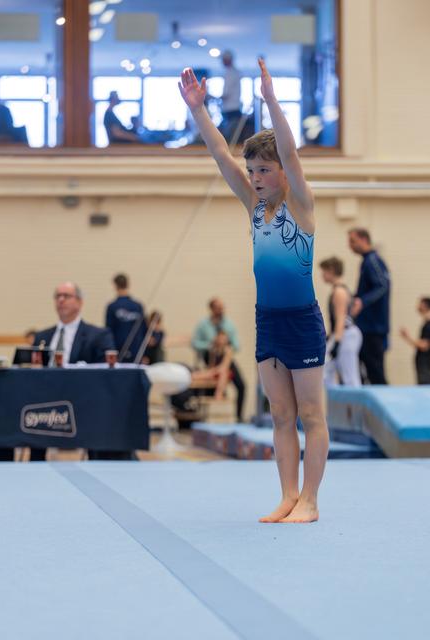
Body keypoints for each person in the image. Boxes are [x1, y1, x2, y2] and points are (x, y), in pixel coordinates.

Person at [179, 59, 328, 523]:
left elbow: (290, 151)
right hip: (268, 321)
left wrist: (270, 101)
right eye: (254, 171)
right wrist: (199, 112)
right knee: (280, 414)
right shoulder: (254, 208)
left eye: (264, 169)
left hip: (302, 319)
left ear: (283, 172)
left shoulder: (300, 206)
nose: (256, 177)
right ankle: (287, 494)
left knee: (310, 413)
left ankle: (311, 500)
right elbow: (222, 156)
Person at [30, 282, 116, 461]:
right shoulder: (42, 337)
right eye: (57, 296)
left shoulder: (98, 335)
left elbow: (106, 372)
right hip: (44, 401)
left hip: (82, 399)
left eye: (66, 296)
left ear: (79, 302)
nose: (61, 300)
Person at [192, 297, 246, 422]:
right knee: (221, 370)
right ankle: (217, 391)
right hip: (210, 356)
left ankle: (238, 417)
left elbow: (236, 345)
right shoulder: (203, 325)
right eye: (218, 308)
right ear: (211, 309)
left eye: (222, 307)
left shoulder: (229, 325)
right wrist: (211, 345)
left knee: (241, 384)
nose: (221, 310)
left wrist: (225, 344)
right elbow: (195, 343)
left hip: (225, 357)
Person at [348, 228, 390, 384]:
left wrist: (362, 301)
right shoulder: (367, 261)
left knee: (376, 374)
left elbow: (382, 286)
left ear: (364, 240)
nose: (350, 246)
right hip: (366, 327)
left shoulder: (372, 260)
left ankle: (384, 405)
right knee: (366, 372)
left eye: (352, 241)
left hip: (373, 329)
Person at [319, 257, 362, 387]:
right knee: (325, 371)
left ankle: (356, 406)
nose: (322, 275)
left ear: (331, 271)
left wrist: (336, 342)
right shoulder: (340, 290)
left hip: (345, 335)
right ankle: (333, 404)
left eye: (324, 272)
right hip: (342, 333)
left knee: (350, 376)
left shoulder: (339, 292)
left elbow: (341, 318)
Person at [105, 273, 146, 362]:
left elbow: (108, 331)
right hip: (136, 350)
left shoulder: (112, 307)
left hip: (119, 350)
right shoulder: (138, 306)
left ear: (115, 286)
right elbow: (144, 330)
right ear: (128, 284)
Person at [400, 297, 430, 384]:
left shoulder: (428, 325)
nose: (417, 306)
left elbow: (425, 345)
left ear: (425, 306)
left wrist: (407, 337)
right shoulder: (426, 323)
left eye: (420, 304)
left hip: (426, 364)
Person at [219, 50, 242, 142]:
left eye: (223, 59)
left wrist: (215, 98)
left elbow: (226, 93)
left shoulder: (231, 73)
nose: (222, 62)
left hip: (232, 110)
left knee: (231, 139)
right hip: (231, 109)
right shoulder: (232, 72)